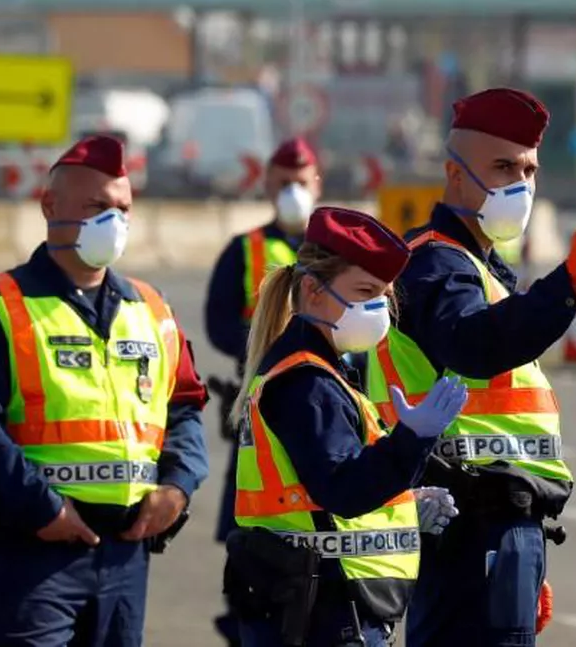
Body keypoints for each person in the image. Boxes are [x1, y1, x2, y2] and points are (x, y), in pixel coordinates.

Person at [364, 87, 576, 647]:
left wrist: (525, 548)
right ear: (455, 174)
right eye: (504, 166)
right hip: (465, 522)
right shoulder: (436, 263)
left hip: (496, 526)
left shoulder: (478, 266)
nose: (521, 184)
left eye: (530, 169)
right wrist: (569, 283)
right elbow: (474, 347)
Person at [0, 135, 209, 646]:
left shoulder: (152, 309)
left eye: (123, 208)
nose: (114, 222)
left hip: (127, 553)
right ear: (49, 205)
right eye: (96, 206)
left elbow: (185, 407)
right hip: (35, 547)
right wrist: (42, 509)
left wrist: (177, 487)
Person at [223, 206, 467, 647]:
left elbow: (318, 489)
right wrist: (413, 440)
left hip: (321, 604)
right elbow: (342, 489)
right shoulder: (306, 382)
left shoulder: (321, 372)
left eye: (384, 295)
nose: (379, 308)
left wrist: (405, 503)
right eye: (365, 292)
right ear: (314, 291)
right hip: (322, 614)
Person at [205, 136, 320, 645]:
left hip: (324, 407)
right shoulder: (245, 249)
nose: (293, 191)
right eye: (284, 182)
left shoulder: (334, 250)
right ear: (268, 183)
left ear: (316, 183)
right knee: (250, 534)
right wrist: (270, 351)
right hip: (258, 409)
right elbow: (217, 321)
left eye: (302, 181)